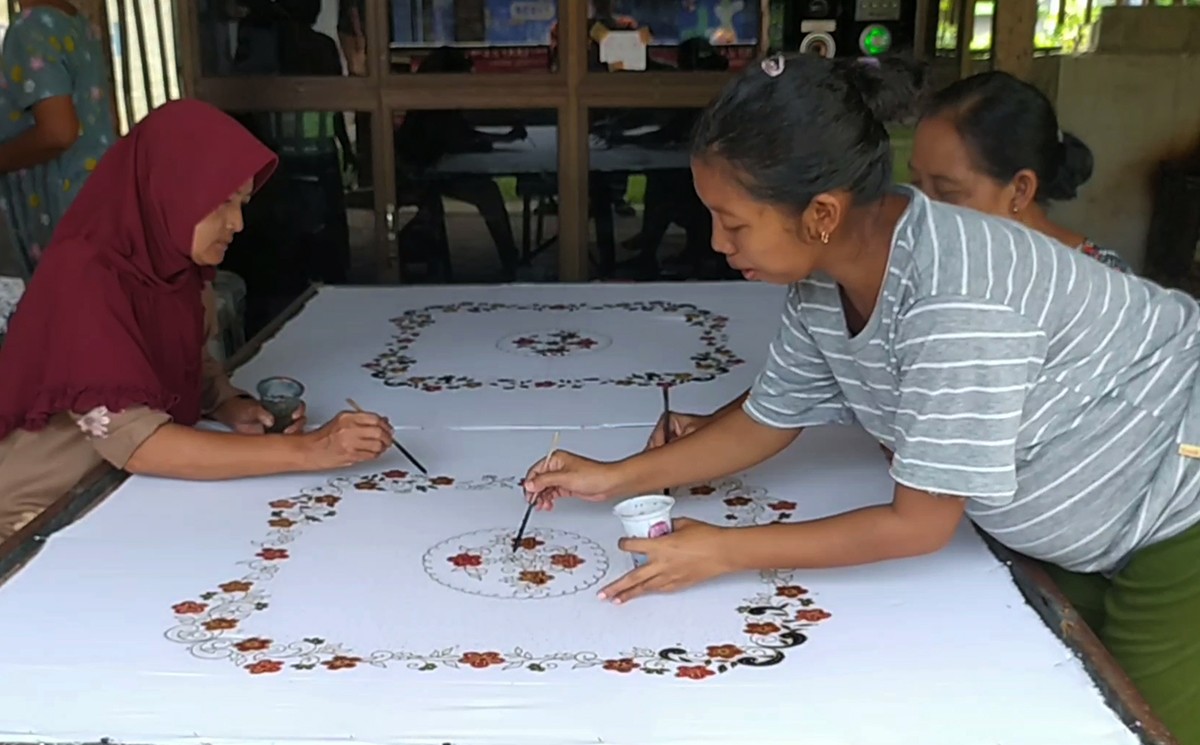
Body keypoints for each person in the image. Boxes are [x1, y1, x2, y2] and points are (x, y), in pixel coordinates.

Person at [521, 54, 1200, 744]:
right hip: (1079, 526)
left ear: (820, 213)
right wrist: (611, 476)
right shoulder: (828, 274)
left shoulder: (956, 295)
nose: (716, 243)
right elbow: (767, 417)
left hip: (1175, 515)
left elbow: (919, 524)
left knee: (1137, 723)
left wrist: (726, 550)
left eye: (733, 222)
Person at [0, 99, 393, 542]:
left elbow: (186, 360)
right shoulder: (86, 279)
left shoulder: (171, 264)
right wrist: (310, 450)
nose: (238, 223)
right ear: (170, 190)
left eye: (242, 203)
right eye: (222, 203)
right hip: (38, 518)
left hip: (117, 491)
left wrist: (229, 403)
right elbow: (139, 444)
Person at [910, 70, 1132, 274]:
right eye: (917, 184)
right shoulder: (923, 262)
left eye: (946, 192)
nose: (922, 208)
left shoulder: (1101, 284)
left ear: (1020, 190)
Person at [0, 0, 118, 276]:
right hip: (99, 200)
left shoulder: (30, 28)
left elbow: (58, 132)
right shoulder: (77, 24)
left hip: (61, 209)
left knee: (66, 303)